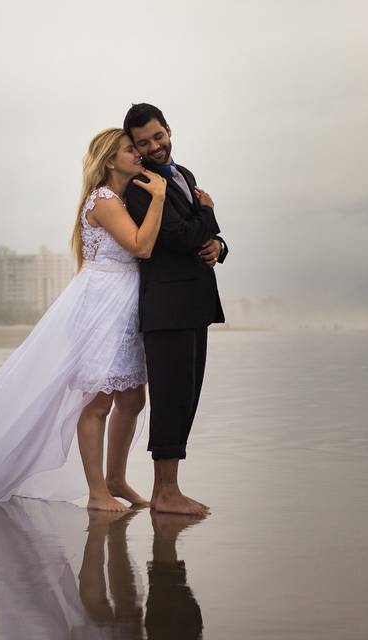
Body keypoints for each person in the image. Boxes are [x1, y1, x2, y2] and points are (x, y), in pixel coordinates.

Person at [0, 128, 167, 512]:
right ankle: (97, 490)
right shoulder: (103, 200)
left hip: (124, 304)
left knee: (133, 398)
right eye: (130, 149)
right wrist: (160, 197)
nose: (139, 154)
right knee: (98, 400)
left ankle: (117, 478)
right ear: (109, 160)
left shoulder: (122, 198)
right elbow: (141, 245)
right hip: (102, 305)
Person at [123, 103, 227, 516]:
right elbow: (177, 238)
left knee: (188, 396)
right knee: (169, 398)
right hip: (165, 307)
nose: (153, 147)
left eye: (157, 137)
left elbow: (207, 238)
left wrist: (220, 246)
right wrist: (208, 211)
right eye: (142, 143)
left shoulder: (186, 176)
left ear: (168, 130)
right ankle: (164, 492)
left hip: (194, 304)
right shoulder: (139, 186)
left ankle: (171, 488)